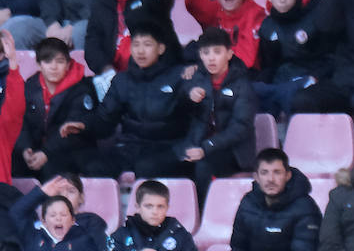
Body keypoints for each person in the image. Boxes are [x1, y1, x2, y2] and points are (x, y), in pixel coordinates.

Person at [204, 148, 321, 251]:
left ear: (288, 175)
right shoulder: (247, 203)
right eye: (264, 173)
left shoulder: (305, 206)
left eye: (277, 173)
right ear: (256, 177)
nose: (270, 179)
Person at [69, 23, 190, 180]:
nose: (140, 51)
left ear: (160, 48)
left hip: (168, 147)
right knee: (94, 167)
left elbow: (192, 119)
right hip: (131, 147)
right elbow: (105, 121)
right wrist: (84, 125)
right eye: (136, 44)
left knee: (146, 168)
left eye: (147, 44)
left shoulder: (180, 76)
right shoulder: (122, 80)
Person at [180, 27, 260, 198]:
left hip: (235, 152)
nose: (211, 58)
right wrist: (189, 98)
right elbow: (180, 111)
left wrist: (206, 148)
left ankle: (202, 216)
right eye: (205, 52)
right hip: (198, 144)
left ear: (229, 54)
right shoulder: (196, 78)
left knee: (203, 166)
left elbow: (241, 127)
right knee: (164, 164)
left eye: (217, 52)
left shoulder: (242, 84)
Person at [15, 38, 98, 181]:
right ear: (39, 65)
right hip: (37, 151)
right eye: (48, 61)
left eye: (59, 61)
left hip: (72, 152)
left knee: (51, 169)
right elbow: (20, 122)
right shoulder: (29, 87)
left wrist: (46, 153)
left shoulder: (82, 88)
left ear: (67, 64)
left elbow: (73, 131)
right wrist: (25, 149)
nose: (54, 67)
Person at [256, 0, 333, 120]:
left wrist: (315, 77)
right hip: (282, 83)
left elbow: (333, 56)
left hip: (313, 81)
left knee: (297, 99)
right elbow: (269, 66)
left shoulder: (319, 16)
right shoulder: (267, 26)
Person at [185, 0, 266, 70]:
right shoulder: (216, 8)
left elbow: (246, 60)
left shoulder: (255, 14)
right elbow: (194, 4)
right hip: (217, 69)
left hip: (246, 75)